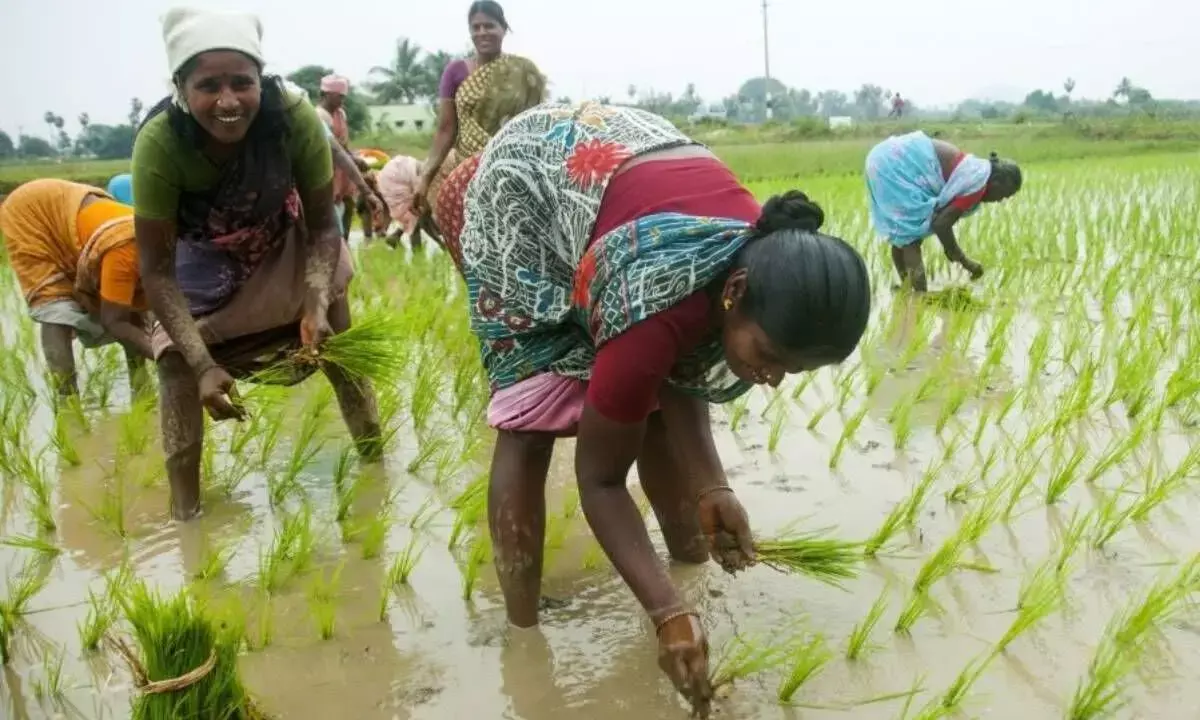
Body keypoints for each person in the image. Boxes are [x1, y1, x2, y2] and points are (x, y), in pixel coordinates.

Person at [435, 101, 872, 714]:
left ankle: (684, 566)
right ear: (735, 292)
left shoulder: (762, 258)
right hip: (529, 188)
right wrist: (667, 612)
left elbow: (683, 370)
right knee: (530, 422)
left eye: (792, 371)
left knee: (650, 398)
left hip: (617, 183)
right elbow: (600, 480)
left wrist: (713, 487)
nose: (773, 379)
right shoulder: (657, 301)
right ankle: (522, 634)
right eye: (772, 357)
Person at [132, 7, 383, 520]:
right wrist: (204, 365)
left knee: (340, 340)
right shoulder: (160, 142)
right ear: (180, 87)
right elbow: (156, 269)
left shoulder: (291, 118)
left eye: (242, 83)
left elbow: (323, 227)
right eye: (208, 86)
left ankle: (377, 469)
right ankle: (187, 518)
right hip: (204, 265)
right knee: (175, 364)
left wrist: (314, 304)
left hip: (283, 245)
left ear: (261, 82)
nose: (228, 102)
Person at [0, 179, 152, 398]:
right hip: (31, 214)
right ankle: (67, 397)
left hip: (74, 210)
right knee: (55, 306)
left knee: (135, 306)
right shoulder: (124, 252)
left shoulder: (167, 245)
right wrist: (167, 355)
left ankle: (142, 388)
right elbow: (114, 320)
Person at [412, 1, 546, 234]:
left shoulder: (524, 73)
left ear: (503, 29)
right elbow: (446, 129)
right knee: (475, 236)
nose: (482, 32)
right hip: (470, 173)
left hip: (515, 172)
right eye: (476, 27)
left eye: (489, 26)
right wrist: (424, 179)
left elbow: (537, 126)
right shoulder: (455, 71)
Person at [866, 131, 1022, 292]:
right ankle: (920, 297)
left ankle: (906, 291)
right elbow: (941, 224)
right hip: (894, 162)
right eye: (1004, 194)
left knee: (903, 235)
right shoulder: (977, 184)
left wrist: (955, 253)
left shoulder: (975, 170)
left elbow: (941, 222)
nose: (1000, 200)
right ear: (996, 182)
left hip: (883, 157)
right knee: (910, 237)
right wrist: (965, 261)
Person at [374, 154, 423, 248]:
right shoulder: (421, 177)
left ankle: (395, 236)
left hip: (392, 177)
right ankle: (417, 249)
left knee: (411, 213)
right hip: (395, 179)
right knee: (414, 214)